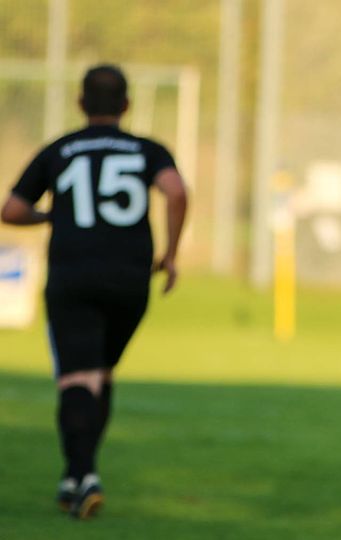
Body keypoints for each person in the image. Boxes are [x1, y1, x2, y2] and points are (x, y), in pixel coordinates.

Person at [0, 64, 188, 519]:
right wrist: (170, 253)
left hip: (74, 275)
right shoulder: (148, 149)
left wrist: (53, 216)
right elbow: (177, 191)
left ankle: (83, 474)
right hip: (130, 278)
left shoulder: (60, 149)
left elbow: (12, 209)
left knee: (77, 379)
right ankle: (74, 477)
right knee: (100, 374)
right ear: (127, 105)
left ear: (81, 103)